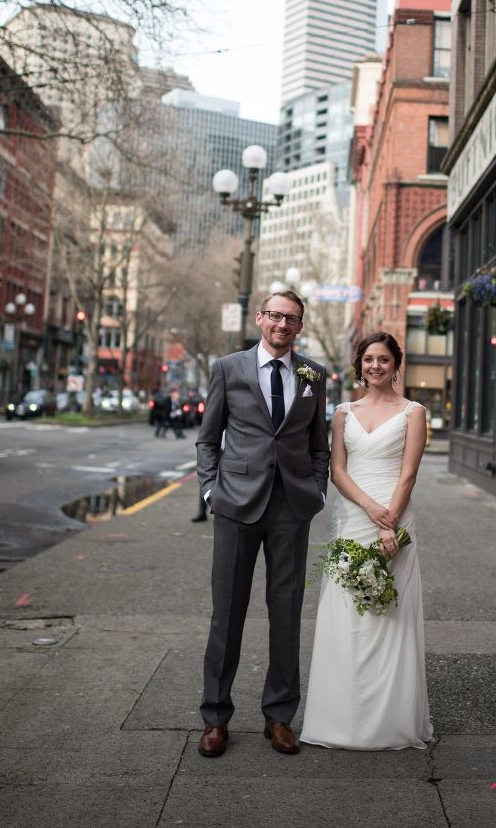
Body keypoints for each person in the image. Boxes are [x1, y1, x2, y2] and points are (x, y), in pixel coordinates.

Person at [195, 291, 329, 759]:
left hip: (292, 507)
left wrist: (317, 491)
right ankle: (215, 718)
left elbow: (318, 445)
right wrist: (211, 491)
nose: (282, 324)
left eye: (291, 318)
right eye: (275, 315)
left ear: (300, 325)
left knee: (286, 614)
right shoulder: (229, 368)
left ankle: (279, 717)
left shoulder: (314, 374)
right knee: (226, 614)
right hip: (235, 507)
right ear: (260, 318)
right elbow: (208, 438)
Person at [301, 331, 432, 751]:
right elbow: (337, 470)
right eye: (369, 359)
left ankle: (387, 721)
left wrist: (389, 520)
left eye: (384, 360)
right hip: (354, 518)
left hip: (395, 521)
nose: (376, 366)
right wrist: (372, 512)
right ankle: (339, 717)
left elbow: (409, 473)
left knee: (390, 616)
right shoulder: (342, 411)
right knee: (345, 617)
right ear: (360, 365)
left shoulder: (414, 412)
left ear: (396, 365)